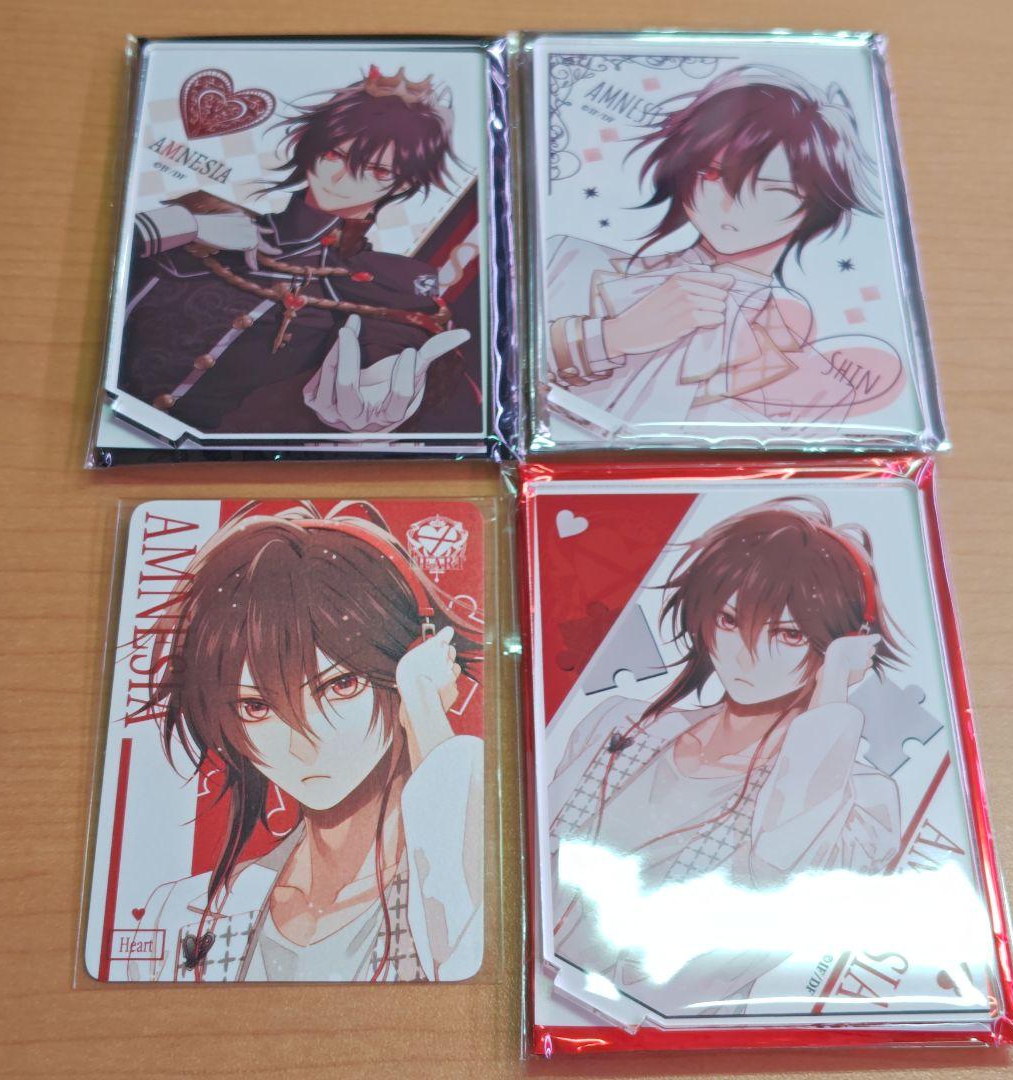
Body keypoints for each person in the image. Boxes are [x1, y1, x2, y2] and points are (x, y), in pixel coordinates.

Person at [548, 498, 904, 1013]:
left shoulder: (861, 806)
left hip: (647, 1032)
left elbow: (777, 877)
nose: (748, 655)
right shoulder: (619, 724)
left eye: (788, 634)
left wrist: (831, 696)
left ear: (842, 647)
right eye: (731, 620)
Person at [127, 501, 484, 982]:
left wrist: (423, 709)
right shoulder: (179, 914)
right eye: (256, 707)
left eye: (341, 686)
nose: (303, 744)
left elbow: (470, 957)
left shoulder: (462, 874)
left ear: (406, 662)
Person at [544, 65, 903, 435]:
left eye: (775, 189)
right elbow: (505, 380)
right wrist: (612, 336)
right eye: (713, 175)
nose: (733, 204)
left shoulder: (809, 380)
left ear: (816, 204)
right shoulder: (567, 261)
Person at [120, 66, 478, 436]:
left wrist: (373, 398)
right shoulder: (203, 214)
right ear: (311, 146)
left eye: (377, 171)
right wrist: (178, 225)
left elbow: (387, 351)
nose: (342, 178)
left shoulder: (382, 282)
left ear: (403, 183)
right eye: (335, 154)